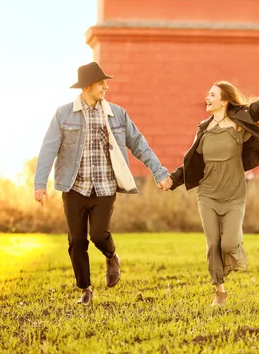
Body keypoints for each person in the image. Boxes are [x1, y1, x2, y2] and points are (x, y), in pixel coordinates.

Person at [34, 61, 172, 306]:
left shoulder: (116, 114)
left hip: (105, 187)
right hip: (74, 186)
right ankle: (86, 289)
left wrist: (159, 172)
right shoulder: (64, 114)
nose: (106, 86)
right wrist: (39, 183)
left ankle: (111, 256)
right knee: (76, 240)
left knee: (98, 234)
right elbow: (48, 148)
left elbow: (138, 144)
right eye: (101, 83)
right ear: (87, 86)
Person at [165, 65, 259, 307]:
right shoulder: (203, 129)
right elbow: (193, 161)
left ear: (225, 101)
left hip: (234, 194)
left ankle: (232, 254)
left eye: (212, 94)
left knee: (228, 243)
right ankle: (219, 291)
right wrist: (172, 179)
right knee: (213, 243)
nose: (207, 97)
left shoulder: (239, 122)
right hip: (207, 194)